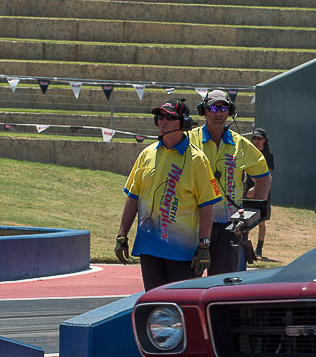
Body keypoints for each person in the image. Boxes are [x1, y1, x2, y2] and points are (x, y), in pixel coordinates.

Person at [115, 99, 222, 291]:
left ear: (184, 122)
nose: (163, 121)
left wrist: (204, 245)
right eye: (160, 117)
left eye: (170, 117)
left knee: (182, 303)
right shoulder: (146, 154)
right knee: (155, 302)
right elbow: (132, 197)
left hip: (183, 252)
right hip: (149, 247)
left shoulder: (198, 160)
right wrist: (121, 236)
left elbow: (207, 206)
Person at [189, 89, 272, 274]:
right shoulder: (189, 140)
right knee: (188, 283)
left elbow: (264, 178)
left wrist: (250, 216)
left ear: (230, 112)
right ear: (203, 111)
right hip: (192, 224)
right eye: (213, 108)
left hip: (229, 227)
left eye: (223, 108)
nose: (218, 113)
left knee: (223, 283)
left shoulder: (241, 144)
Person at [248, 126, 274, 258]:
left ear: (264, 140)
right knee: (244, 219)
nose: (256, 141)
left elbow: (267, 176)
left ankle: (259, 249)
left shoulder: (268, 156)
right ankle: (243, 245)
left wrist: (255, 188)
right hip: (247, 190)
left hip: (262, 191)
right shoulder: (248, 152)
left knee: (261, 221)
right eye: (254, 138)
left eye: (259, 138)